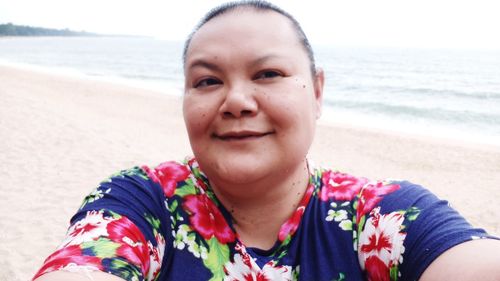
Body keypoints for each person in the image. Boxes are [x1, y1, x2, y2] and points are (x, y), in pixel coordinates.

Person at [33, 1, 500, 280]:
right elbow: (87, 260)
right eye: (207, 81)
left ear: (316, 91)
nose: (236, 100)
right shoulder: (143, 201)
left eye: (268, 74)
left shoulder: (379, 215)